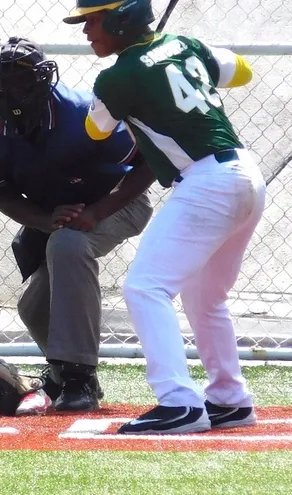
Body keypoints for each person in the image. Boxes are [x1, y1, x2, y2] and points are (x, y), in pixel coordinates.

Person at [64, 0, 264, 434]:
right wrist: (176, 60)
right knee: (204, 296)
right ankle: (230, 398)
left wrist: (140, 73)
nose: (86, 32)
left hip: (206, 182)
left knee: (143, 287)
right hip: (246, 174)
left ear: (123, 18)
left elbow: (95, 130)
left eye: (93, 21)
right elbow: (243, 71)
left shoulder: (116, 77)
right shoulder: (187, 44)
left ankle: (180, 404)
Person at [0, 36, 156, 411]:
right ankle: (62, 371)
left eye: (20, 81)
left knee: (69, 244)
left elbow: (147, 163)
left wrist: (97, 211)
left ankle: (77, 377)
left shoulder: (85, 113)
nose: (11, 91)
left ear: (41, 81)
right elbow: (3, 196)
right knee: (33, 306)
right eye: (3, 83)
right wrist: (45, 220)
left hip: (120, 200)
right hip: (55, 215)